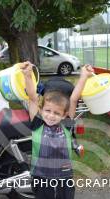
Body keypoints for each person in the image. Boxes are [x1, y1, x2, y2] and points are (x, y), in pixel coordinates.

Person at [21, 62, 93, 199]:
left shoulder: (66, 125)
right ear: (41, 110)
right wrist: (27, 75)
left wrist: (84, 76)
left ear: (64, 115)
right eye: (48, 111)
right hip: (41, 176)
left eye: (56, 113)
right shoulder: (37, 123)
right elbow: (32, 97)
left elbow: (73, 99)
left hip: (64, 176)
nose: (51, 115)